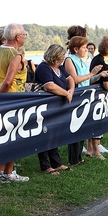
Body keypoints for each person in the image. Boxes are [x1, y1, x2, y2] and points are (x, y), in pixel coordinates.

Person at [64, 36, 108, 165]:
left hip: (85, 97)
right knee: (75, 128)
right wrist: (91, 73)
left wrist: (99, 75)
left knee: (82, 128)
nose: (86, 50)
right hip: (77, 96)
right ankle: (73, 159)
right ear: (76, 49)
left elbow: (87, 80)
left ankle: (79, 157)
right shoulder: (69, 60)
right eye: (84, 47)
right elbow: (75, 79)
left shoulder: (82, 60)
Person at [35, 44, 75, 175]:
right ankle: (45, 165)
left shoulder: (60, 68)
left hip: (57, 107)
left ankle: (56, 162)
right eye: (61, 57)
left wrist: (71, 91)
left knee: (54, 134)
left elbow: (70, 79)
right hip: (44, 107)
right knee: (45, 134)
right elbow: (50, 86)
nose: (63, 59)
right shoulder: (44, 67)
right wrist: (66, 93)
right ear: (54, 56)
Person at [0, 23, 29, 182]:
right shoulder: (14, 55)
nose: (25, 37)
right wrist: (1, 97)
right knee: (14, 136)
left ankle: (0, 170)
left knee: (2, 135)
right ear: (17, 37)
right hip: (12, 99)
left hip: (2, 98)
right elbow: (9, 81)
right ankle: (8, 172)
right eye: (24, 34)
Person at [89, 35, 108, 160]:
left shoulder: (96, 59)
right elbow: (107, 85)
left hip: (92, 94)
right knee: (98, 122)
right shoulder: (104, 64)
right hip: (99, 96)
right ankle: (96, 151)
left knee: (91, 123)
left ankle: (90, 149)